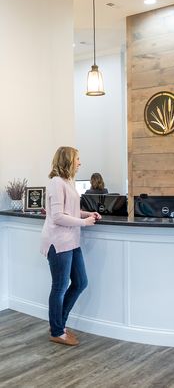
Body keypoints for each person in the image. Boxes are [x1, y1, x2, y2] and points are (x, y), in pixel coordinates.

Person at [40, 146, 101, 346]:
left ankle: (59, 325)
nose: (80, 162)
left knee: (80, 282)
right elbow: (57, 217)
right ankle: (57, 330)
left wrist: (88, 214)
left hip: (71, 241)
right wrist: (84, 222)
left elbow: (71, 211)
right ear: (67, 160)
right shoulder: (56, 182)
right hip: (58, 243)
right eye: (77, 159)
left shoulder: (67, 181)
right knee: (59, 287)